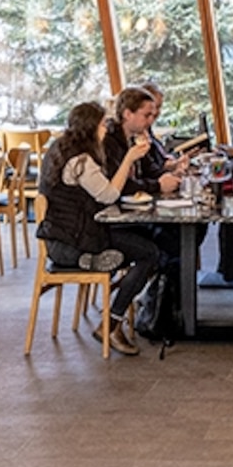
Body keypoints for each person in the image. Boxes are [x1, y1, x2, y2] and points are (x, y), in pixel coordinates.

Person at [40, 100, 162, 355]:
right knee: (149, 253)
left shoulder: (59, 148)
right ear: (91, 127)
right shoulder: (81, 161)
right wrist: (129, 159)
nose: (106, 128)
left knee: (143, 241)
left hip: (59, 234)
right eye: (103, 124)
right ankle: (110, 324)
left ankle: (115, 292)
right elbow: (108, 195)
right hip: (75, 240)